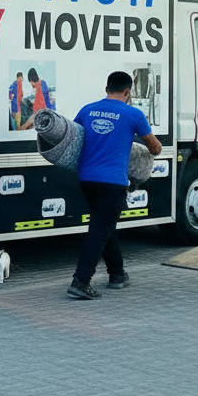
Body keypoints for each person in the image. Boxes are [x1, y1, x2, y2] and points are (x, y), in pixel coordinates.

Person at [67, 71, 162, 300]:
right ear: (128, 91)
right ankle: (81, 281)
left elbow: (74, 138)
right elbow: (155, 148)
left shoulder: (88, 110)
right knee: (100, 230)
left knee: (104, 226)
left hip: (87, 179)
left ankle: (117, 274)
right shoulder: (133, 114)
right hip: (112, 182)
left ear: (106, 88)